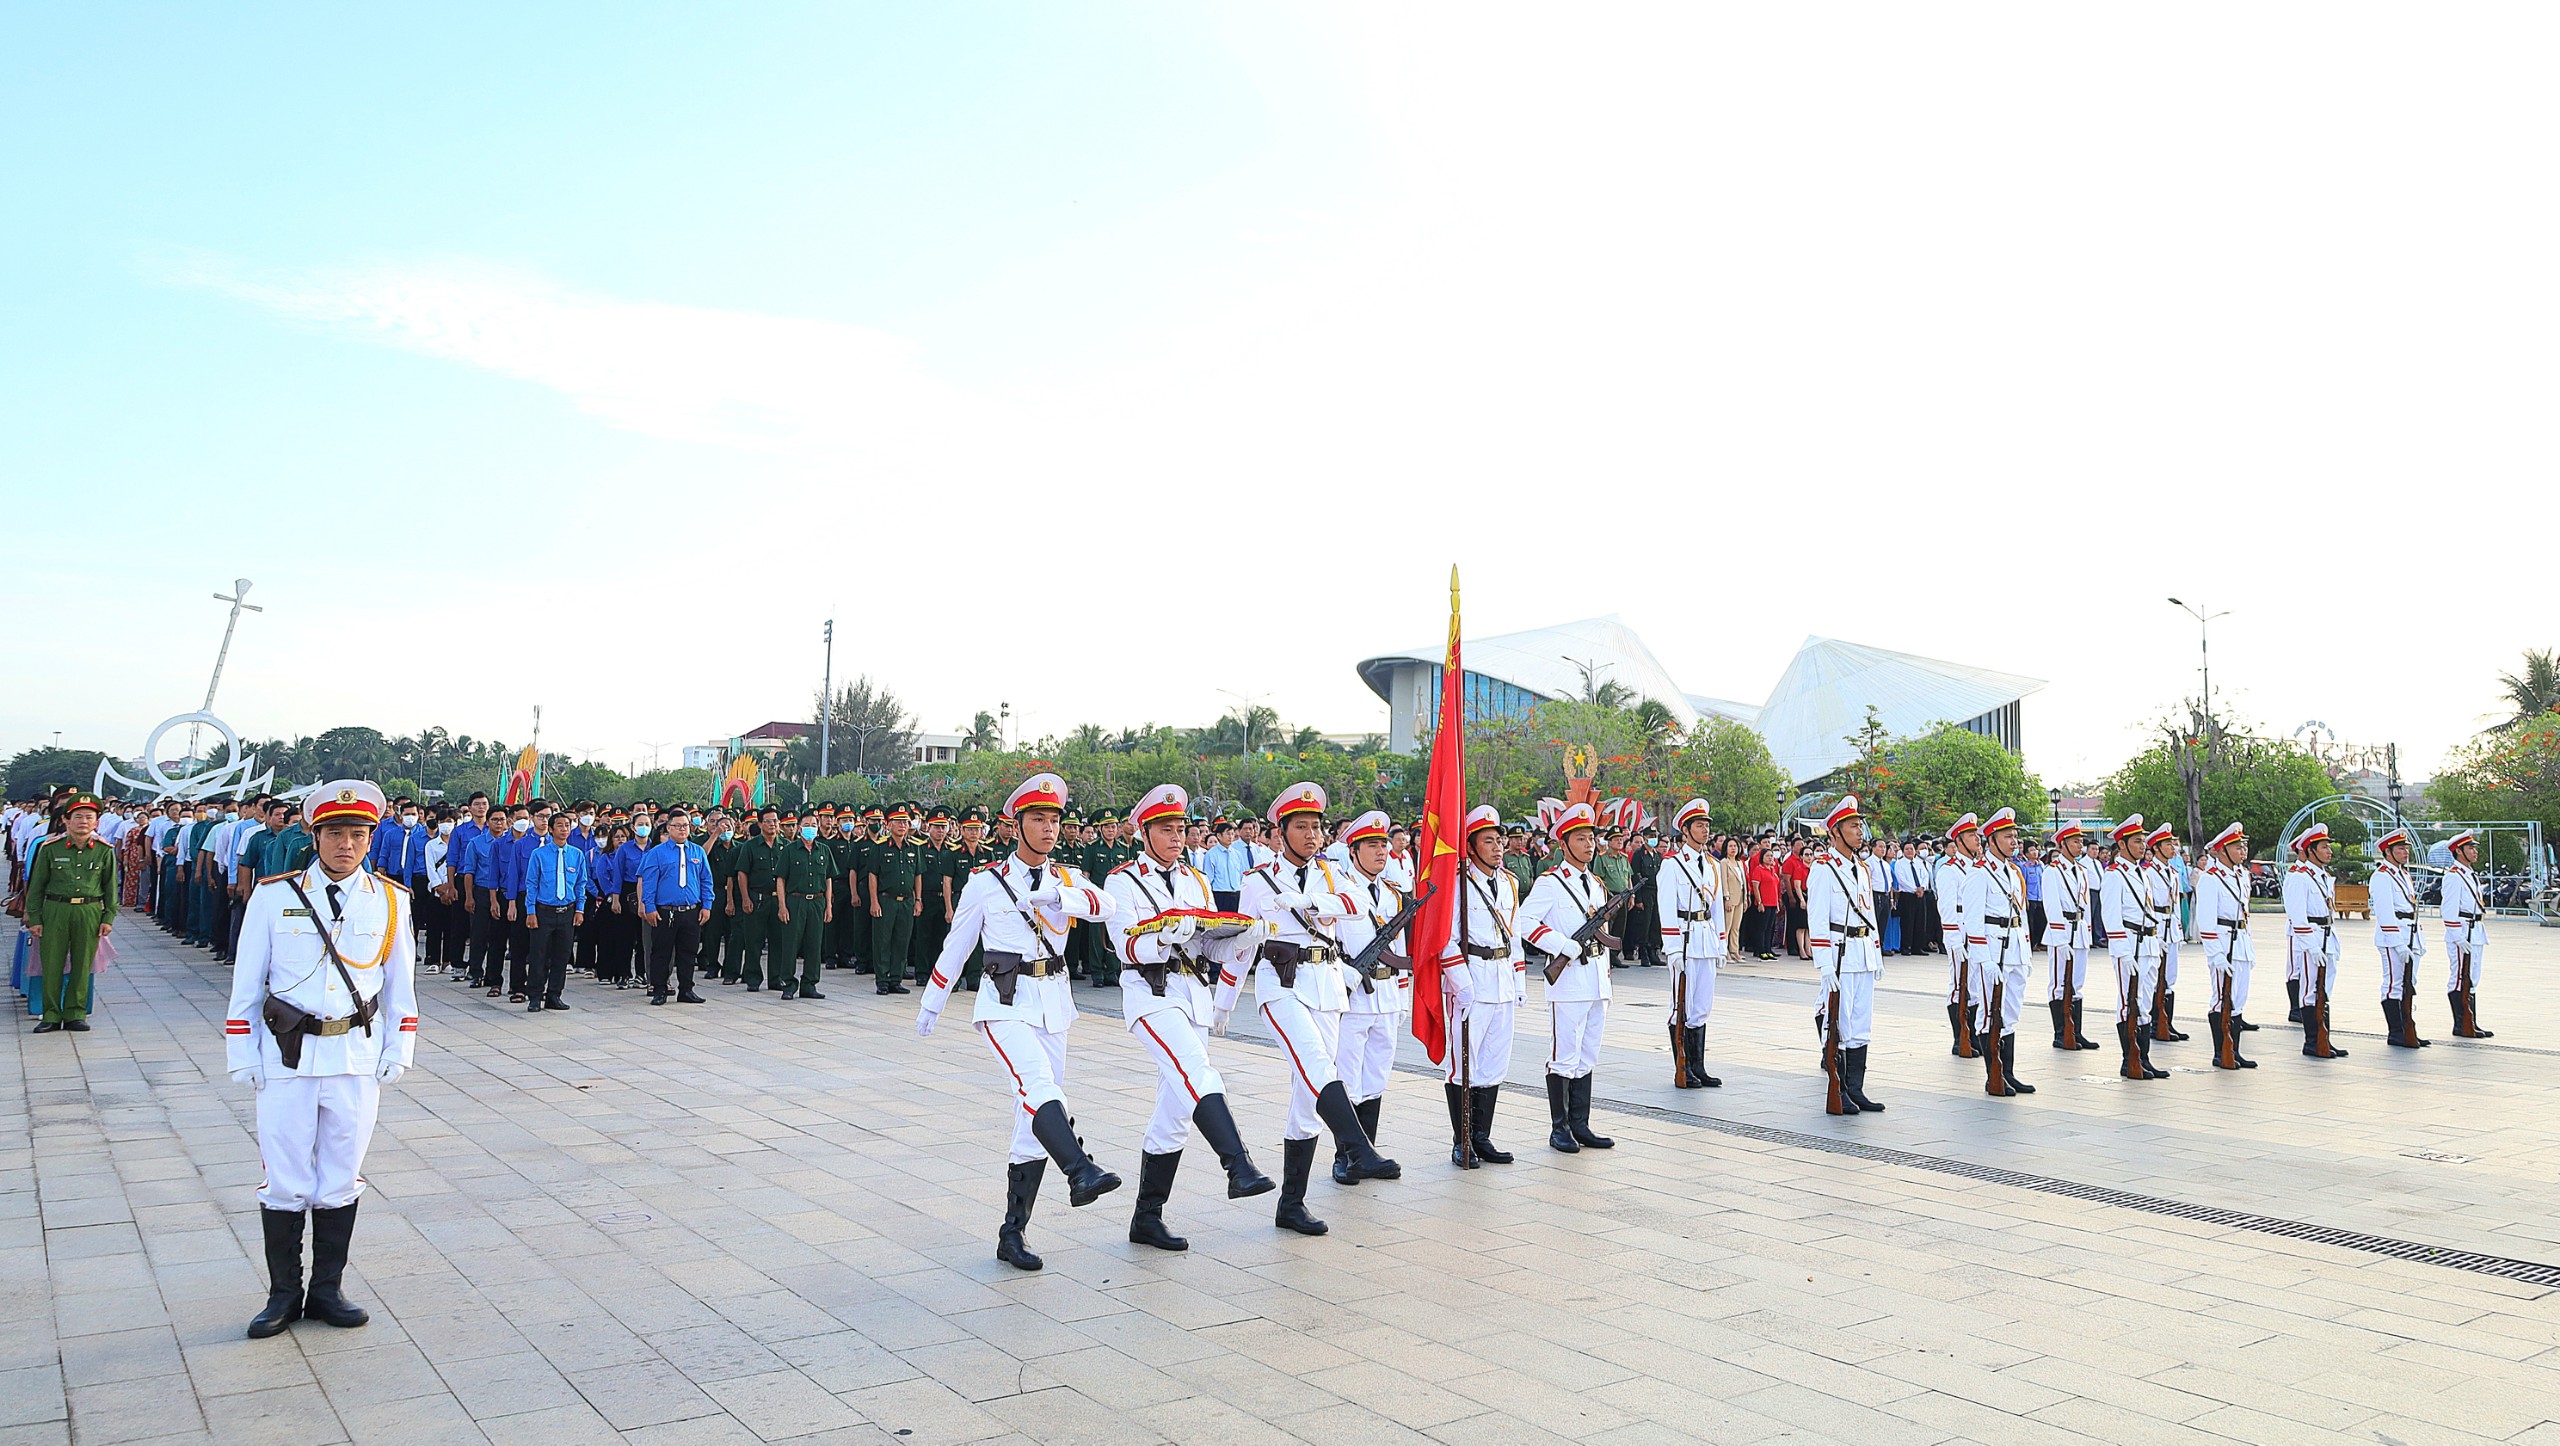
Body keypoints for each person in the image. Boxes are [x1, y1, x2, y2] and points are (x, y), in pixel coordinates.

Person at [225, 780, 417, 1339]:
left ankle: (328, 1290)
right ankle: (283, 1294)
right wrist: (243, 1052)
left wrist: (397, 1048)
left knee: (339, 1176)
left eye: (358, 834)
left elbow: (401, 987)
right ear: (315, 835)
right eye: (335, 833)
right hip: (286, 1055)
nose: (346, 845)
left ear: (370, 839)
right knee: (285, 1179)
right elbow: (246, 983)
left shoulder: (391, 900)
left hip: (355, 1055)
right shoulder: (273, 896)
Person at [914, 773, 1122, 1272]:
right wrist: (933, 1002)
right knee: (1037, 1087)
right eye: (1038, 820)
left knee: (1033, 1119)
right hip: (1005, 1002)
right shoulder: (986, 882)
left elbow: (1107, 906)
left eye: (1055, 820)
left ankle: (1013, 1233)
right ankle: (1080, 1168)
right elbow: (958, 942)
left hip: (1053, 1002)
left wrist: (1059, 900)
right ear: (1016, 825)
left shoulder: (1067, 879)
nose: (1049, 829)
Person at [1219, 782, 1399, 1236]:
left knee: (1306, 1097)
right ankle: (1358, 1147)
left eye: (1317, 827)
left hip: (1326, 987)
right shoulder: (1257, 880)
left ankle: (1291, 1204)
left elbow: (1357, 907)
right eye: (1301, 827)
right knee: (1317, 1064)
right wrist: (1223, 1001)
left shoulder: (1334, 874)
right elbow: (1242, 943)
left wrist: (1312, 901)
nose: (1312, 835)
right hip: (1281, 987)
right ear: (1281, 832)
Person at [1098, 784, 1273, 1251]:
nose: (1177, 838)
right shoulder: (1122, 881)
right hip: (1151, 996)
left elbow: (1209, 944)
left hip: (1192, 993)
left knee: (1175, 1111)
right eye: (1167, 830)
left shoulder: (1195, 880)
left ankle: (1146, 1218)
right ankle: (1237, 1164)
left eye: (1181, 829)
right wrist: (1165, 935)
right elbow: (1126, 946)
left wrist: (1242, 939)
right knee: (1199, 1074)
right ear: (1146, 833)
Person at [1518, 802, 1619, 1152]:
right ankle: (1559, 1128)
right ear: (1563, 844)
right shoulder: (1550, 882)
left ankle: (1581, 1124)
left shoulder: (1595, 882)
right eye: (1580, 838)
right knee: (1564, 1054)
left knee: (1588, 1054)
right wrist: (1562, 944)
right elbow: (1524, 922)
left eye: (1591, 837)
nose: (1589, 844)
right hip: (1568, 979)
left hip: (1595, 979)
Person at [1328, 809, 1411, 1181]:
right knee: (1347, 1077)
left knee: (1376, 1075)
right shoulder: (1340, 891)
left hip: (1387, 994)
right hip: (1354, 999)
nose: (1381, 852)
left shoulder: (1393, 896)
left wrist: (1404, 998)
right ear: (1354, 850)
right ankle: (1344, 1156)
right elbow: (1327, 944)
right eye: (1372, 846)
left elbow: (1401, 948)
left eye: (1383, 845)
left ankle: (1368, 1152)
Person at [1438, 806, 1520, 1168]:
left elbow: (1512, 934)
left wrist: (1518, 978)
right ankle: (1462, 1141)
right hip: (1473, 979)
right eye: (1488, 840)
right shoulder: (1459, 884)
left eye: (1499, 840)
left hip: (1501, 978)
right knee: (1463, 1065)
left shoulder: (1509, 882)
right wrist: (1461, 982)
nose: (1498, 846)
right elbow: (1446, 939)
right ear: (1470, 846)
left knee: (1493, 1063)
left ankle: (1482, 1137)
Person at [1807, 797, 1885, 1114]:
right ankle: (1839, 1089)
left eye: (1860, 825)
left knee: (1861, 1023)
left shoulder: (1862, 869)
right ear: (1836, 831)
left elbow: (1869, 915)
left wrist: (1877, 954)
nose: (1859, 831)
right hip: (1840, 954)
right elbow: (1817, 917)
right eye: (1853, 826)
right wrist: (1824, 963)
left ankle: (1856, 1089)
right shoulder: (1824, 869)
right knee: (1840, 1023)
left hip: (1863, 952)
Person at [24, 792, 116, 1033]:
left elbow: (110, 887)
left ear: (96, 822)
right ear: (65, 820)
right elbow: (36, 886)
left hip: (89, 910)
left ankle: (75, 1013)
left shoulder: (104, 851)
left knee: (82, 963)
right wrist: (34, 917)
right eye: (77, 816)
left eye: (89, 817)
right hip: (56, 909)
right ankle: (51, 1014)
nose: (83, 821)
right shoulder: (50, 848)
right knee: (52, 963)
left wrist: (108, 917)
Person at [1963, 808, 2034, 1097]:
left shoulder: (2013, 872)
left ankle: (2008, 1072)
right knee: (1990, 1013)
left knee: (2010, 1011)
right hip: (1993, 948)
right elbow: (1972, 919)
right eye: (2008, 836)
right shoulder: (1979, 873)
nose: (2014, 841)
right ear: (1991, 839)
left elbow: (2022, 914)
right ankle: (1993, 1075)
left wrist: (2026, 952)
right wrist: (1984, 959)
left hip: (2015, 945)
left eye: (2015, 836)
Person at [1654, 799, 1725, 1088]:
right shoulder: (1672, 865)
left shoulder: (1712, 865)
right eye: (1699, 825)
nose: (1705, 830)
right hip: (1684, 939)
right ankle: (1682, 1067)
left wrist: (1721, 944)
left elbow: (1717, 906)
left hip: (1705, 937)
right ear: (1685, 830)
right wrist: (1671, 948)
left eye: (1707, 825)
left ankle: (1699, 1066)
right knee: (1681, 1005)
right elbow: (1666, 906)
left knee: (1701, 1005)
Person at [2100, 816, 2170, 1080]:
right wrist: (2122, 950)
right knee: (2129, 1002)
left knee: (2145, 1003)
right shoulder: (2115, 875)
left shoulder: (2142, 872)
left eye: (2143, 841)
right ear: (2122, 844)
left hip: (2148, 942)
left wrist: (2158, 937)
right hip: (2130, 942)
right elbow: (2111, 915)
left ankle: (2144, 1058)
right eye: (2137, 841)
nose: (2143, 846)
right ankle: (2129, 1059)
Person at [2194, 822, 2258, 1069]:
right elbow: (2206, 921)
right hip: (2223, 942)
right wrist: (2215, 954)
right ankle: (2221, 1052)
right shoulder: (2211, 879)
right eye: (2236, 846)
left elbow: (2244, 913)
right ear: (2222, 850)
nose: (2242, 850)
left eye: (2243, 845)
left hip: (2240, 941)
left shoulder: (2242, 875)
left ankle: (2235, 1050)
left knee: (2239, 998)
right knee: (2222, 998)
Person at [2284, 822, 2348, 1059]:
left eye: (2328, 847)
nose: (2329, 851)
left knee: (2325, 990)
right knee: (2311, 990)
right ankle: (2312, 1042)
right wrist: (2309, 945)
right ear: (2310, 850)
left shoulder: (2323, 876)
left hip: (2326, 936)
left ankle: (2324, 1039)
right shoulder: (2299, 878)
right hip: (2312, 938)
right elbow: (2297, 915)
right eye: (2323, 847)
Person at [638, 810, 714, 1005]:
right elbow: (649, 882)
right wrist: (649, 907)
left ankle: (686, 989)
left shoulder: (697, 852)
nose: (682, 829)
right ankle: (660, 989)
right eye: (678, 826)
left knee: (688, 953)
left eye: (686, 826)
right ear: (669, 828)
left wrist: (707, 905)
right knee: (661, 952)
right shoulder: (657, 853)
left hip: (691, 911)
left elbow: (706, 880)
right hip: (665, 911)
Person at [2040, 823, 2100, 1051]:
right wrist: (2060, 937)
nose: (2080, 845)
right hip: (2062, 930)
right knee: (2059, 984)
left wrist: (2087, 931)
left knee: (2077, 983)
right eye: (2075, 841)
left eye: (2081, 841)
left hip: (2080, 929)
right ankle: (2061, 1033)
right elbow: (2052, 906)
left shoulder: (2082, 871)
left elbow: (2085, 903)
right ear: (2062, 844)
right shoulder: (2052, 871)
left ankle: (2076, 1032)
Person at [520, 811, 588, 1012]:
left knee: (562, 955)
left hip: (567, 911)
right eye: (559, 825)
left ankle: (554, 994)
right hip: (543, 911)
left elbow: (580, 884)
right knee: (538, 954)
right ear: (550, 829)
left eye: (567, 825)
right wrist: (530, 911)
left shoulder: (576, 855)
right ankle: (534, 995)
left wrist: (580, 910)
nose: (564, 829)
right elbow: (531, 884)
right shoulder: (539, 854)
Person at [2369, 826, 2430, 1048]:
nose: (2406, 852)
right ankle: (2396, 1031)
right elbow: (2385, 912)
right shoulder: (2382, 876)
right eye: (2400, 848)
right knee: (2394, 983)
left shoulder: (2403, 874)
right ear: (2388, 851)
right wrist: (2397, 942)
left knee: (2409, 983)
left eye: (2406, 848)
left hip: (2409, 933)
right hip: (2392, 937)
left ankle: (2408, 1027)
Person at [773, 807, 839, 1000]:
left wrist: (829, 905)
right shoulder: (790, 850)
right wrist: (782, 905)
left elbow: (828, 879)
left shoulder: (824, 850)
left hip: (817, 901)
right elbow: (781, 879)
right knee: (791, 943)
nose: (810, 828)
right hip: (795, 901)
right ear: (799, 828)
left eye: (813, 825)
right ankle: (788, 983)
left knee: (814, 944)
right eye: (806, 825)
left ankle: (809, 984)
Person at [868, 803, 926, 995]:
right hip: (886, 900)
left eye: (905, 822)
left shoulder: (914, 848)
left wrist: (918, 899)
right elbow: (873, 875)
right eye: (898, 822)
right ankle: (882, 980)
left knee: (902, 940)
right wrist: (874, 901)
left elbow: (918, 875)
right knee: (882, 941)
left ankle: (896, 979)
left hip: (907, 900)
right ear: (889, 824)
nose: (902, 825)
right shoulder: (880, 847)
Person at [1936, 815, 1981, 1057]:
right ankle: (1959, 1037)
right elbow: (1947, 907)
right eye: (1972, 835)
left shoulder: (1977, 868)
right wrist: (1953, 939)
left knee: (1974, 985)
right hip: (1960, 932)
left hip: (1976, 930)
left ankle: (1972, 1035)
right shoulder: (1949, 870)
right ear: (1960, 840)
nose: (1978, 839)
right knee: (1959, 985)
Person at [2440, 830, 2492, 1037]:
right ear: (2459, 851)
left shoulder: (2469, 874)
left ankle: (2472, 1022)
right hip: (2462, 931)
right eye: (2470, 848)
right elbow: (2449, 909)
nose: (2474, 851)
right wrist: (2456, 936)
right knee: (2460, 977)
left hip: (2476, 930)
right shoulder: (2453, 876)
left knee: (2473, 977)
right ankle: (2461, 1024)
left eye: (2474, 848)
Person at [2146, 826, 2191, 1042]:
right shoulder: (2148, 873)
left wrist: (2178, 931)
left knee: (2170, 978)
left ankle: (2167, 1023)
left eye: (2173, 844)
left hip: (2171, 927)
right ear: (2156, 848)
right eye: (2168, 844)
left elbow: (2174, 905)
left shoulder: (2172, 873)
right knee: (2157, 978)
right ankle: (2156, 1024)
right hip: (2157, 926)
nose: (2173, 848)